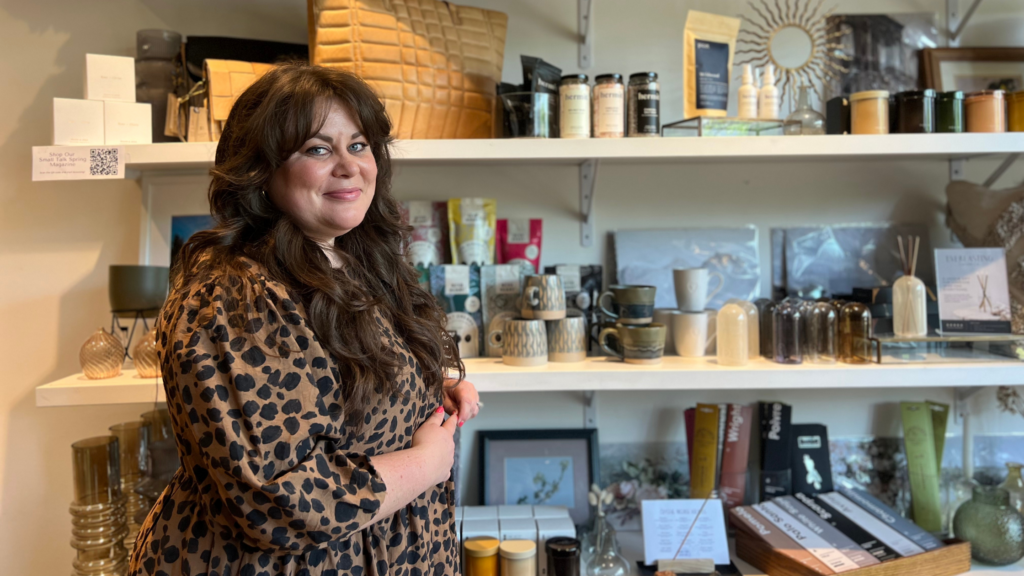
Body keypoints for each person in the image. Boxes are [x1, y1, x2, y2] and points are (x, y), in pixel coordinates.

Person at [130, 64, 480, 576]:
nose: (348, 166)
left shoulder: (350, 259)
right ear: (259, 169)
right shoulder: (232, 294)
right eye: (318, 149)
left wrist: (423, 390)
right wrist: (428, 463)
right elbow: (278, 501)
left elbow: (332, 387)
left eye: (358, 146)